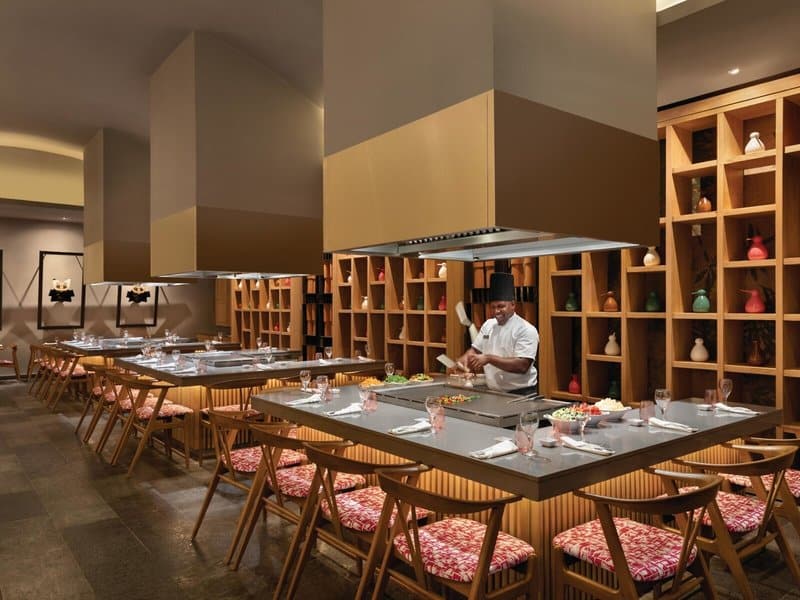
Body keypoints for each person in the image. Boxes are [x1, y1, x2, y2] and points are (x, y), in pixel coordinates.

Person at [453, 272, 539, 394]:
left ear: (513, 304)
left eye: (501, 306)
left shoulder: (526, 329)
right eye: (492, 307)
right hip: (494, 391)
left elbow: (522, 366)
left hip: (521, 393)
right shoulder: (488, 325)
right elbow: (475, 350)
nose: (496, 311)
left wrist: (489, 358)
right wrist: (466, 359)